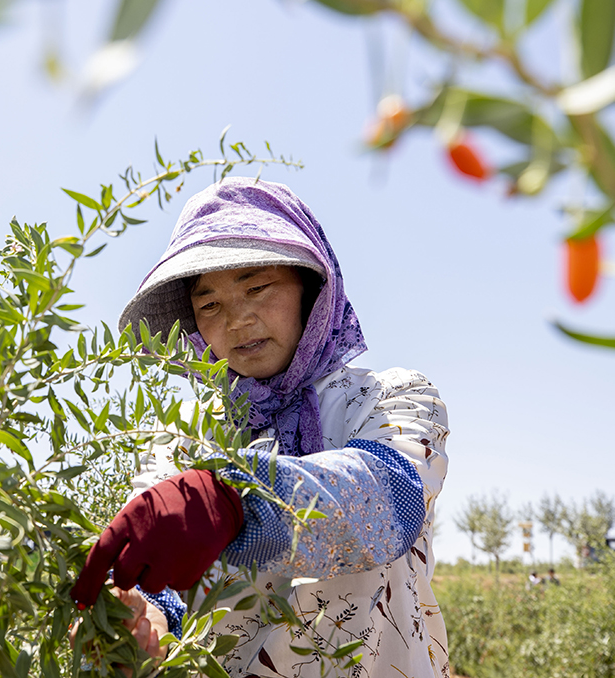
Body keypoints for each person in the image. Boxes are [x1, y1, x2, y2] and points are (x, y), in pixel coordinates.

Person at [70, 178, 450, 678]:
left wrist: (235, 502)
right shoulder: (182, 442)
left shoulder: (391, 397)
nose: (237, 320)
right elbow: (164, 584)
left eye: (257, 286)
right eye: (209, 305)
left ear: (311, 290)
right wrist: (142, 623)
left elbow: (387, 501)